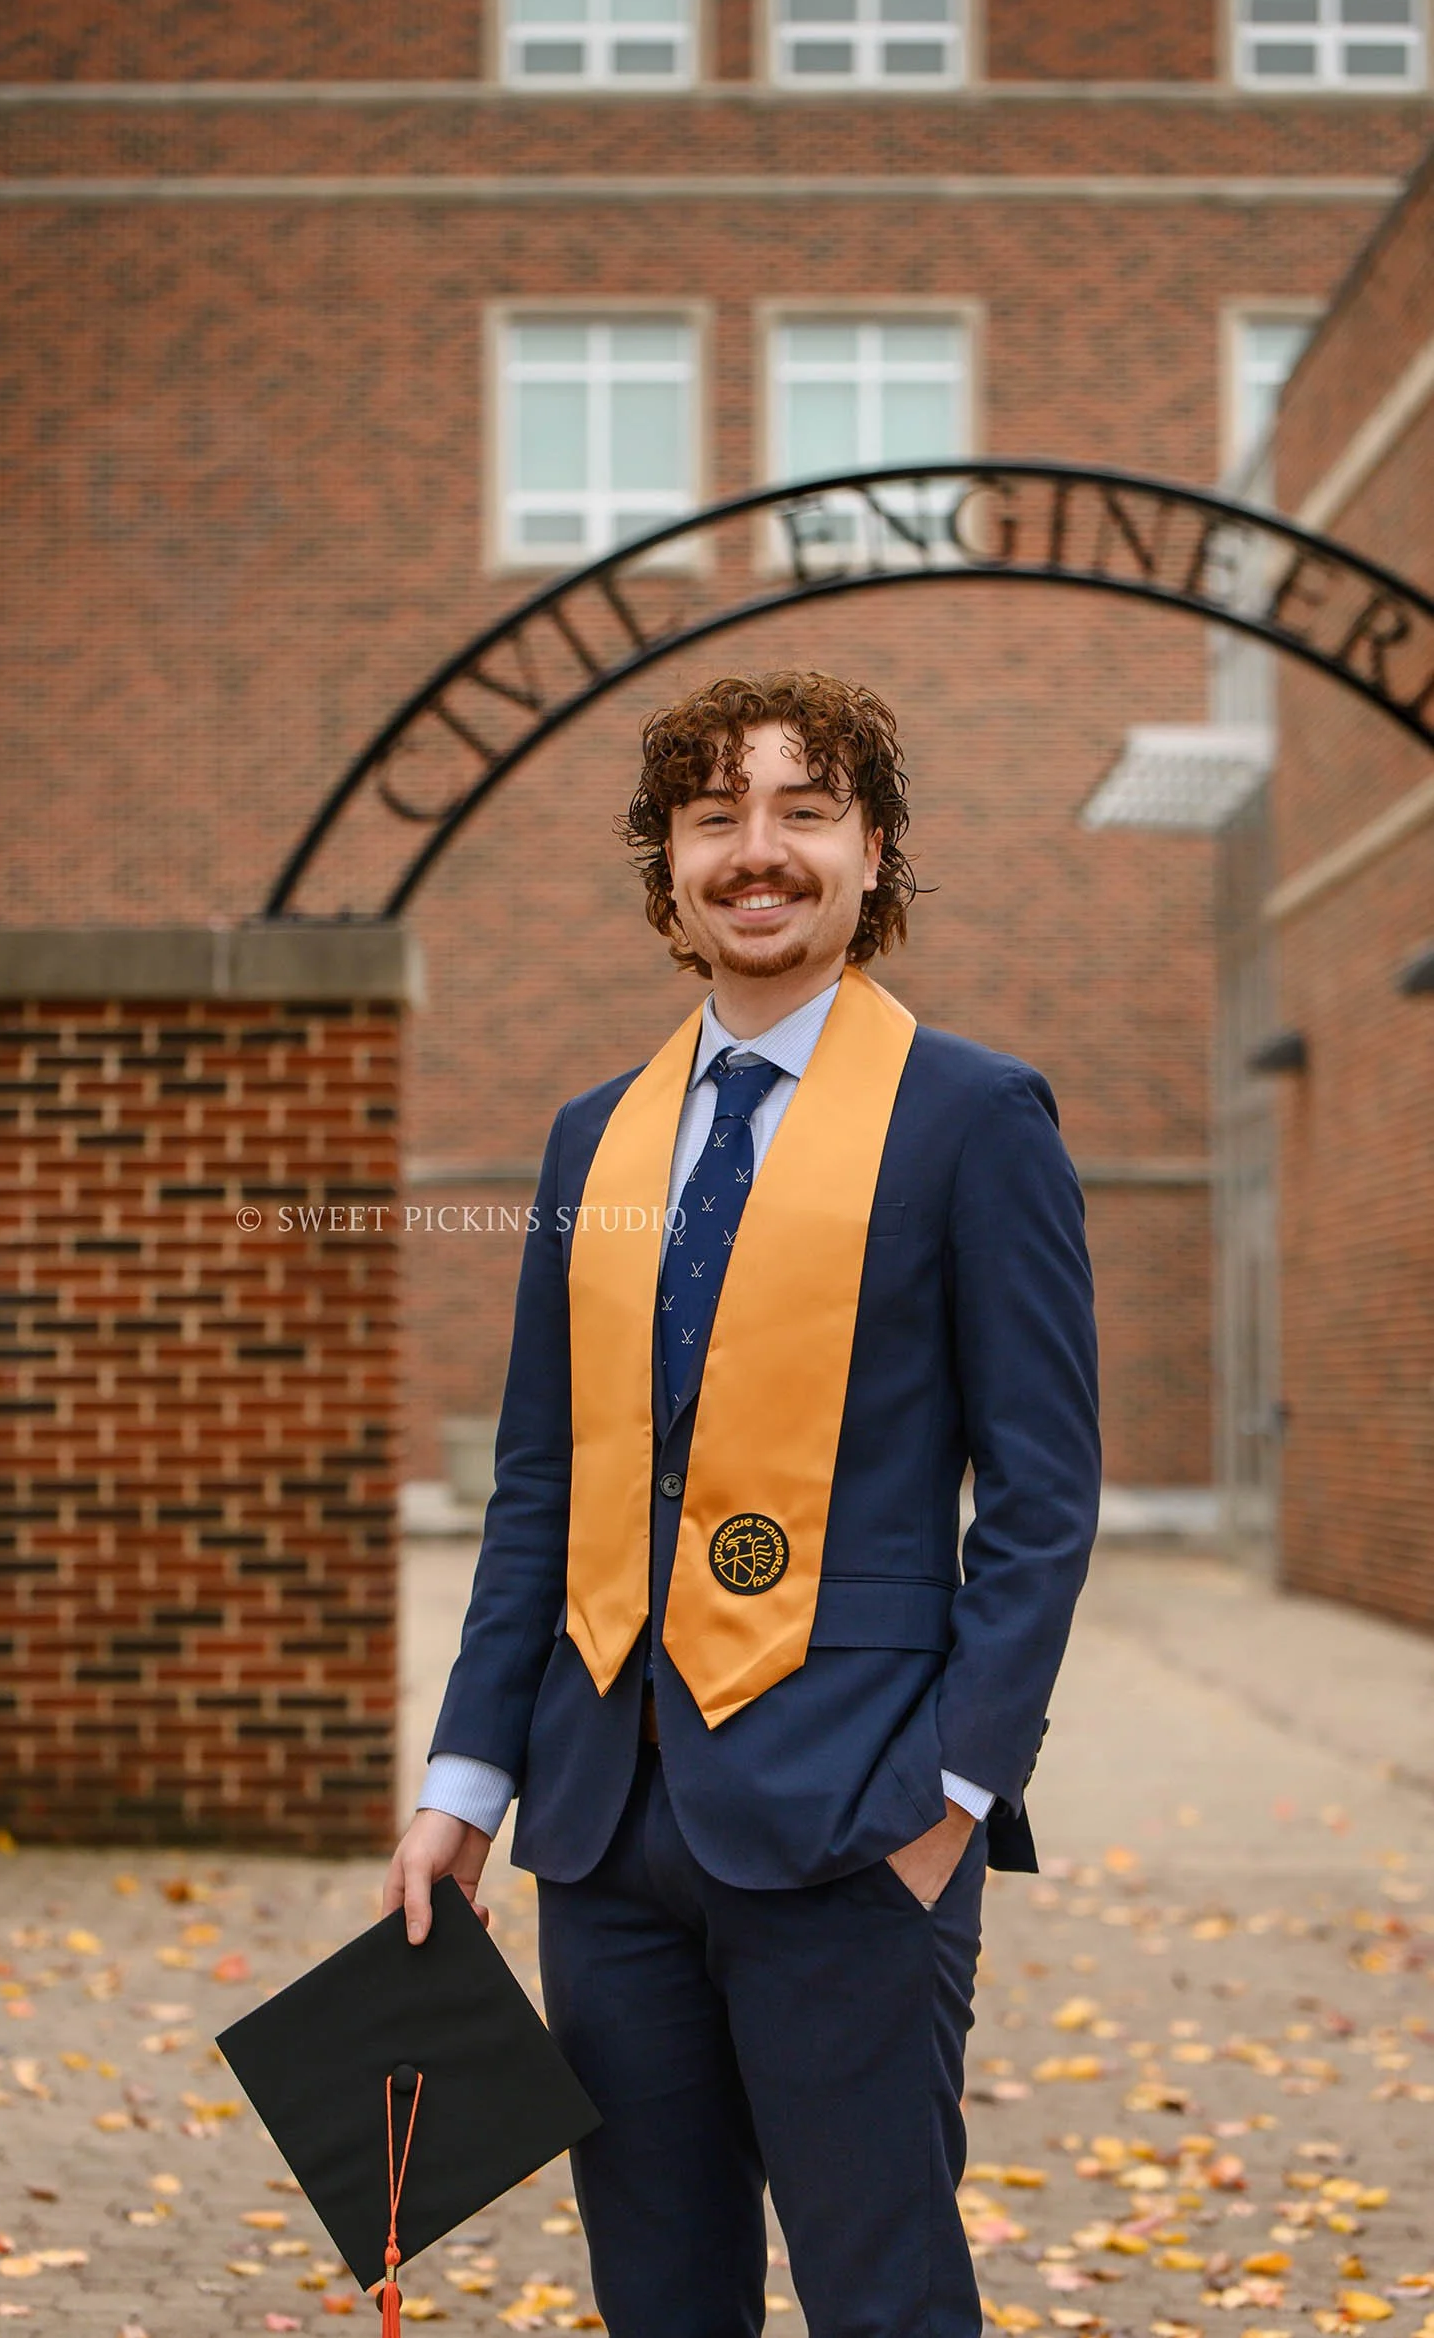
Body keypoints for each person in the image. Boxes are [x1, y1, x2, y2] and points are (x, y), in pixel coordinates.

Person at [383, 669, 1101, 2338]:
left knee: (884, 2295)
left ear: (871, 856)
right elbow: (539, 1487)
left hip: (856, 1820)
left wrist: (951, 1797)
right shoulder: (593, 1141)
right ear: (668, 868)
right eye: (714, 817)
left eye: (802, 811)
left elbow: (1044, 1495)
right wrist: (465, 1786)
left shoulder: (972, 1118)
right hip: (603, 1830)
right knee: (659, 2295)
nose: (754, 851)